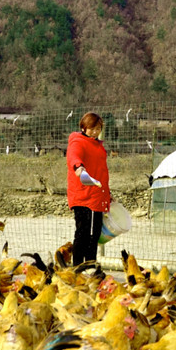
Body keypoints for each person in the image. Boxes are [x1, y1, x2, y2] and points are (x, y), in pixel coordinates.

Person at [66, 112, 111, 265]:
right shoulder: (78, 141)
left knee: (95, 234)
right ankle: (79, 267)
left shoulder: (98, 144)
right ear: (84, 127)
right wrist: (78, 167)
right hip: (83, 195)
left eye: (98, 128)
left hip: (97, 194)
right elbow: (74, 156)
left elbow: (101, 171)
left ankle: (90, 265)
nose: (95, 132)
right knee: (83, 233)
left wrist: (107, 194)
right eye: (91, 128)